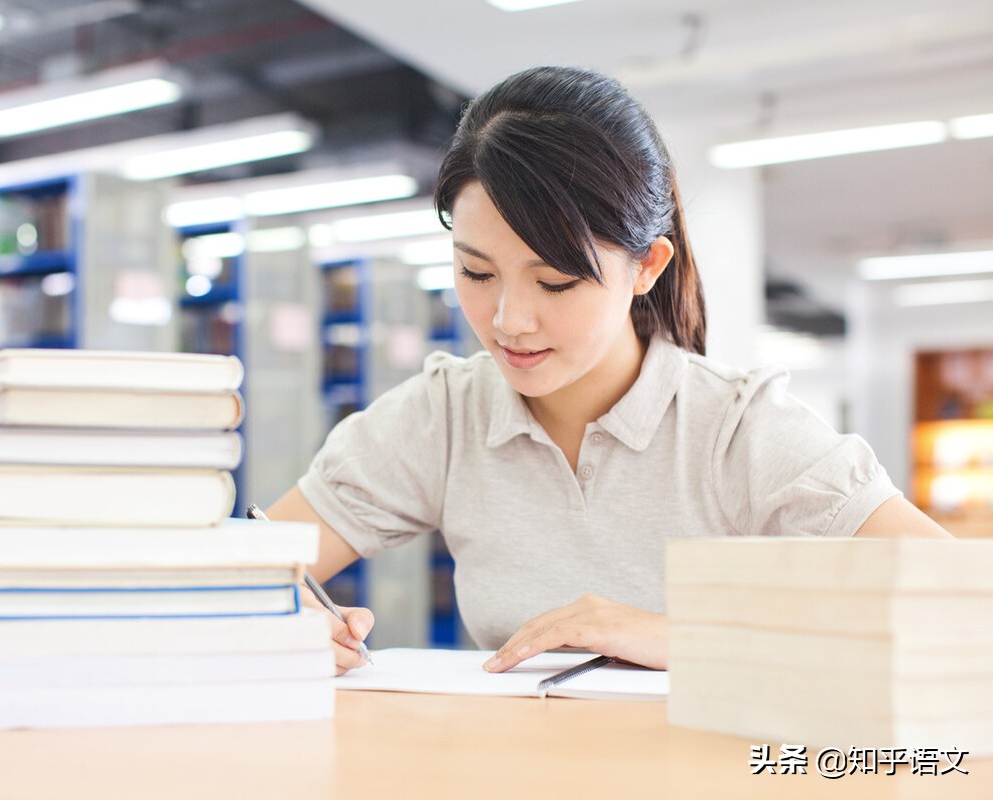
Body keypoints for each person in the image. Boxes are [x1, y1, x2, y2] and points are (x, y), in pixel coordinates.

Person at [266, 65, 952, 676]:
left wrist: (686, 638)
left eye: (557, 282)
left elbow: (958, 602)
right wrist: (289, 623)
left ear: (647, 267)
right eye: (476, 271)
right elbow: (239, 579)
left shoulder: (739, 430)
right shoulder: (442, 416)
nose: (509, 320)